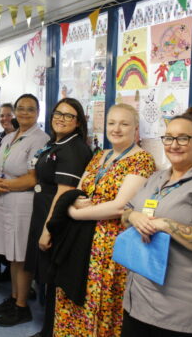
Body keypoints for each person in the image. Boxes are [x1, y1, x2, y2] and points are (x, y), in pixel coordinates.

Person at [53, 103, 155, 337]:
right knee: (72, 300)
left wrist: (75, 212)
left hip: (107, 248)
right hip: (80, 241)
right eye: (111, 123)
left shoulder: (142, 160)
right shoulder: (100, 155)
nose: (116, 129)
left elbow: (119, 206)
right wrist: (75, 201)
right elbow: (78, 190)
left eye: (124, 123)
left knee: (98, 303)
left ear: (135, 129)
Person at [121, 107, 192, 337]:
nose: (174, 145)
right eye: (168, 138)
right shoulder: (157, 179)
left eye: (183, 138)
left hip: (179, 311)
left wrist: (166, 225)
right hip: (139, 300)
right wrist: (135, 217)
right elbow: (126, 212)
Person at [25, 98, 93, 337]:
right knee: (47, 278)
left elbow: (64, 192)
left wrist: (48, 230)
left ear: (78, 122)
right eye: (58, 113)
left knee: (54, 278)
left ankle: (52, 330)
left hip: (57, 221)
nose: (61, 119)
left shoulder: (73, 148)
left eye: (69, 116)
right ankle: (50, 328)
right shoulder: (57, 143)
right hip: (44, 212)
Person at [0, 93, 50, 327]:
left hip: (22, 203)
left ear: (37, 113)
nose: (25, 112)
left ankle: (22, 307)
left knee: (22, 256)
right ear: (15, 111)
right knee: (11, 254)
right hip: (4, 200)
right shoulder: (10, 137)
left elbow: (33, 178)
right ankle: (14, 298)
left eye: (30, 109)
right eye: (21, 108)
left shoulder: (40, 139)